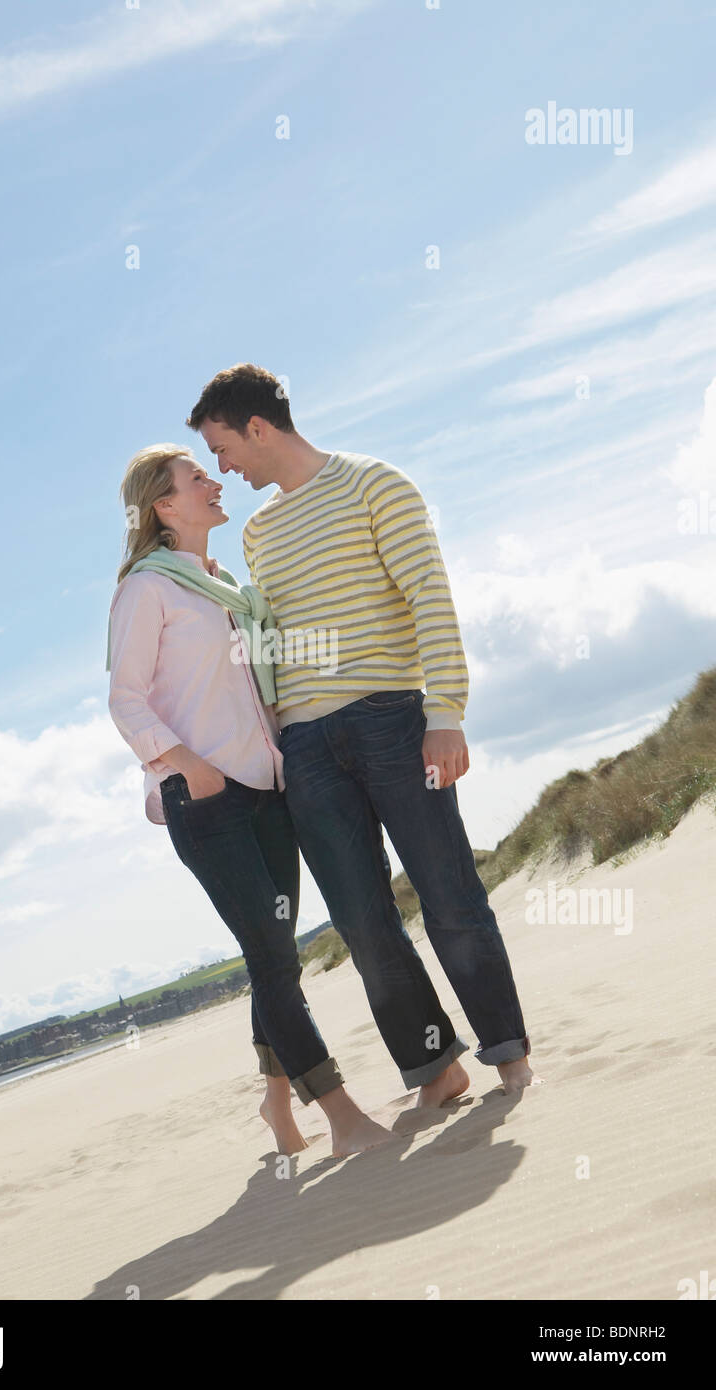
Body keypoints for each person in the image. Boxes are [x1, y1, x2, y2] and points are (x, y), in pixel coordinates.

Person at [186, 363, 540, 1103]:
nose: (222, 468)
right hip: (308, 748)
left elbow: (430, 599)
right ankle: (435, 1069)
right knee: (360, 920)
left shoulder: (376, 483)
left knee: (449, 894)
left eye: (222, 448)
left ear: (257, 427)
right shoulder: (259, 532)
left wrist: (445, 713)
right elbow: (288, 643)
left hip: (393, 721)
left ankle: (508, 1054)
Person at [106, 443, 395, 1156]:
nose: (213, 482)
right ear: (163, 507)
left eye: (209, 474)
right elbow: (124, 699)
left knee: (280, 960)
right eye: (195, 478)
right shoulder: (147, 590)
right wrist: (188, 765)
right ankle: (342, 1115)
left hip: (265, 789)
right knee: (269, 958)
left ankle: (276, 1104)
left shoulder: (224, 585)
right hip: (204, 798)